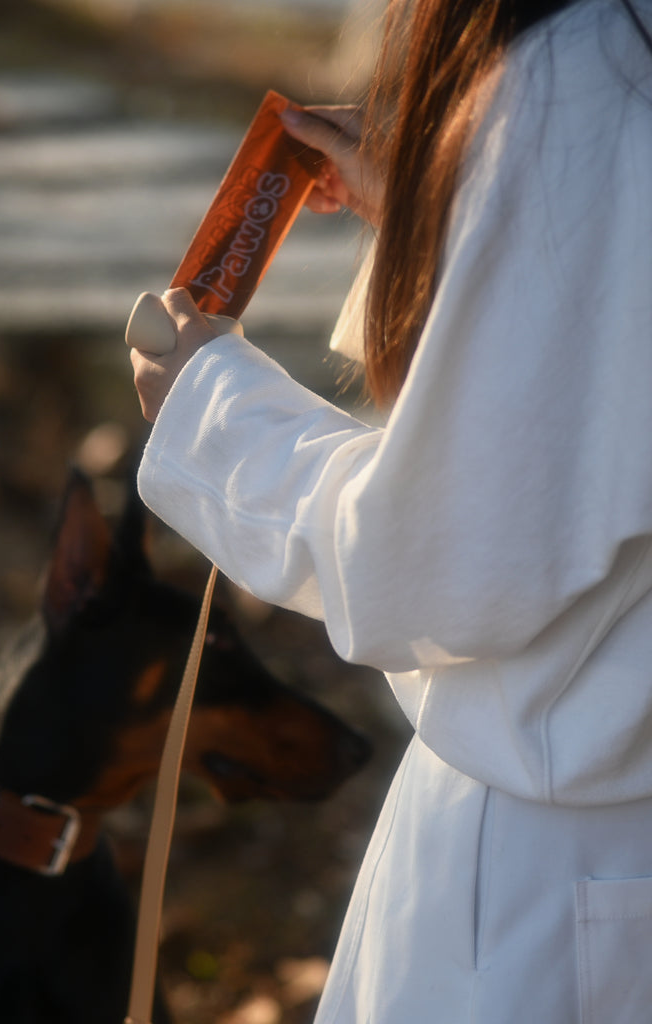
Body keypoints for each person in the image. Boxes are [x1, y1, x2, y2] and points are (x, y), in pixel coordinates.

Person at [129, 1, 652, 1021]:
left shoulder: (592, 72)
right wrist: (469, 200)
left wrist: (209, 408)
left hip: (545, 887)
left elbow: (439, 561)